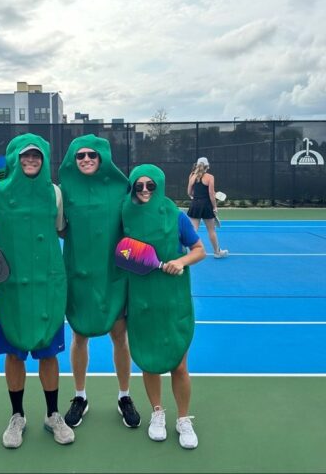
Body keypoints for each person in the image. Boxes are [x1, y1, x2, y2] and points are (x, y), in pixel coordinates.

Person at [0, 133, 74, 448]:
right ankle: (17, 416)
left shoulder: (55, 193)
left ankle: (52, 415)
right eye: (25, 156)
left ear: (44, 159)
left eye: (36, 156)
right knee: (14, 352)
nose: (31, 161)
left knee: (48, 352)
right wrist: (12, 246)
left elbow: (60, 230)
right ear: (15, 159)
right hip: (11, 287)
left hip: (49, 285)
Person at [58, 134, 140, 429]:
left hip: (114, 277)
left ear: (103, 157)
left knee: (120, 336)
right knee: (80, 336)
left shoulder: (122, 189)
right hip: (79, 276)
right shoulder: (63, 191)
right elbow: (57, 227)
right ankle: (80, 396)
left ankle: (125, 396)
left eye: (92, 155)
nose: (87, 160)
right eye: (80, 155)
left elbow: (138, 224)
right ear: (72, 159)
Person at [122, 164, 206, 449]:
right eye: (139, 186)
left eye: (151, 185)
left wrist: (180, 262)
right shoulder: (125, 215)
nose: (145, 190)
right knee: (149, 360)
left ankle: (183, 419)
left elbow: (199, 250)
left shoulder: (175, 215)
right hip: (141, 300)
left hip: (173, 300)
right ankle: (157, 413)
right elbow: (120, 250)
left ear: (159, 185)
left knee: (179, 365)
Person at [187, 157, 228, 258]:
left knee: (193, 230)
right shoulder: (210, 177)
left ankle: (184, 250)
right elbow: (211, 194)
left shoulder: (192, 175)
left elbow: (189, 192)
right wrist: (215, 207)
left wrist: (194, 197)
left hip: (195, 204)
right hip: (206, 205)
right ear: (207, 166)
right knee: (211, 230)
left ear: (197, 165)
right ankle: (217, 252)